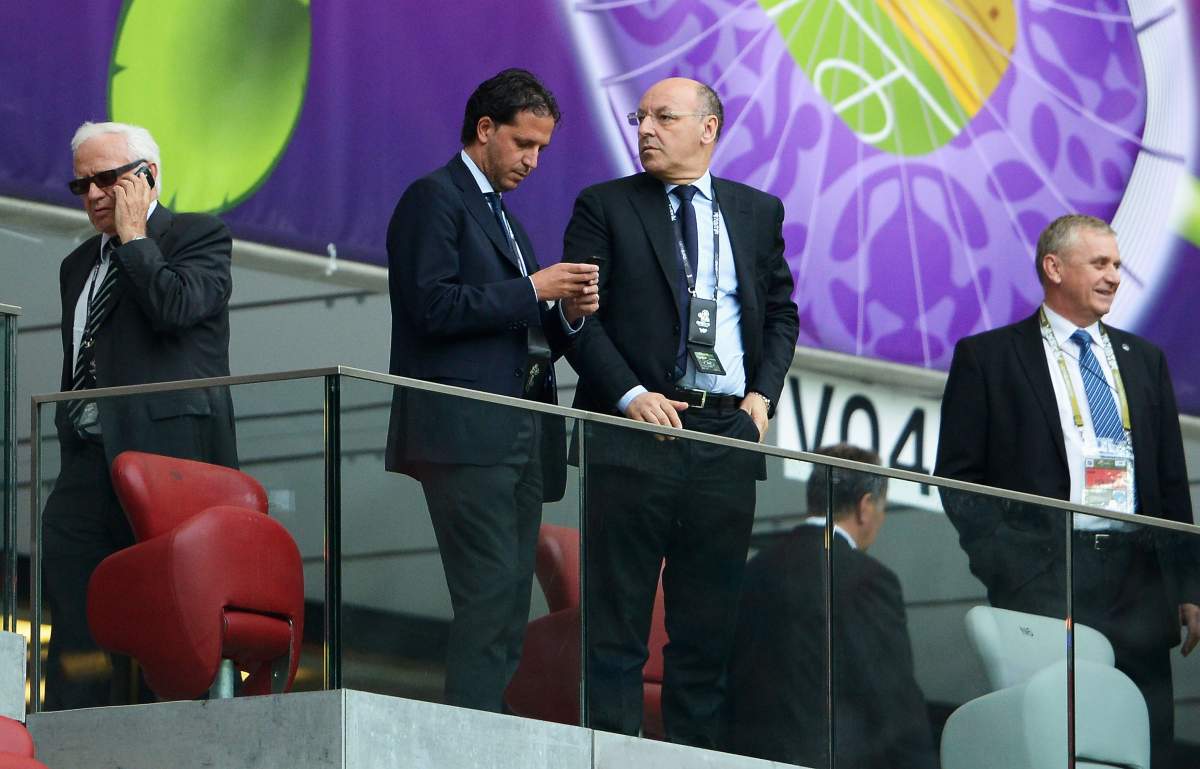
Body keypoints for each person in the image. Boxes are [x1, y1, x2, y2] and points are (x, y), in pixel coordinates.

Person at [562, 77, 799, 747]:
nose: (645, 129)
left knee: (706, 631)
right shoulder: (605, 205)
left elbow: (781, 313)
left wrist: (761, 400)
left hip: (726, 434)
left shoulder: (757, 211)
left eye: (663, 117)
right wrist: (628, 395)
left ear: (708, 128)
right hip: (634, 430)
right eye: (639, 118)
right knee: (616, 626)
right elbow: (575, 318)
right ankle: (607, 756)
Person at [935, 213, 1198, 767]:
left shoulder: (1145, 360)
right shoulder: (989, 358)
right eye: (1099, 263)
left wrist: (1189, 585)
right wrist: (1014, 570)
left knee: (1144, 740)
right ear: (1054, 268)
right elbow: (959, 481)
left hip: (1139, 578)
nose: (1114, 277)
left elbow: (1172, 482)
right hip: (1046, 575)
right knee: (1056, 741)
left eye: (1117, 265)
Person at [384, 68, 598, 713]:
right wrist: (533, 289)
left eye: (542, 149)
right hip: (465, 432)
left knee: (507, 600)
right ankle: (470, 734)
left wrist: (569, 315)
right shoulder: (433, 198)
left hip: (519, 434)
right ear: (484, 129)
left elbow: (520, 332)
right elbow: (430, 307)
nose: (532, 161)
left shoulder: (503, 218)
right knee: (488, 591)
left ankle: (487, 725)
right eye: (523, 143)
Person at [45, 121, 237, 709]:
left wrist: (134, 239)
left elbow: (174, 307)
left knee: (169, 608)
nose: (92, 195)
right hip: (88, 459)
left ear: (147, 176)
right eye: (81, 185)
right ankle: (72, 730)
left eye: (106, 179)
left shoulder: (199, 236)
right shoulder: (78, 264)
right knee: (75, 604)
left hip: (167, 461)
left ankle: (174, 732)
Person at [726, 444, 936, 769]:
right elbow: (893, 697)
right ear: (865, 506)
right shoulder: (868, 579)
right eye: (882, 508)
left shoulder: (754, 570)